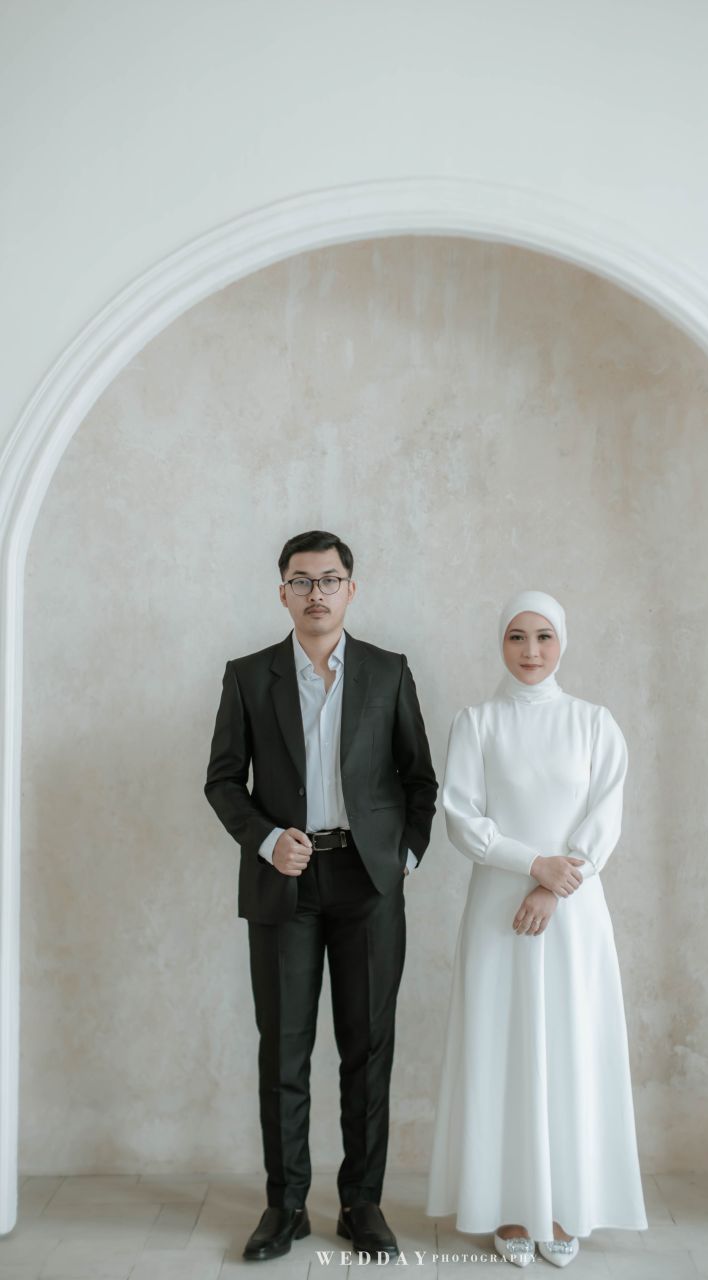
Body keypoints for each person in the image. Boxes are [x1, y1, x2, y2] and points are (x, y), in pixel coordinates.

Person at [205, 530, 438, 1263]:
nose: (316, 593)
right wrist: (267, 839)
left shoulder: (388, 671)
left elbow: (419, 779)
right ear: (282, 592)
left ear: (350, 590)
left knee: (367, 1048)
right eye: (302, 581)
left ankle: (362, 1204)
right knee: (284, 1049)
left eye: (329, 580)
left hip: (368, 882)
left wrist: (402, 856)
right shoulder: (249, 676)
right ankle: (285, 1207)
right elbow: (222, 780)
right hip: (284, 882)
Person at [426, 589, 647, 1267]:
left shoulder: (594, 723)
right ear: (500, 643)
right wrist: (533, 865)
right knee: (502, 1048)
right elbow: (462, 817)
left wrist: (554, 884)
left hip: (572, 915)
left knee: (569, 1048)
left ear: (562, 643)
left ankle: (561, 1205)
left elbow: (604, 818)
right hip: (499, 913)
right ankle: (508, 1208)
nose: (530, 651)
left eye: (544, 636)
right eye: (516, 637)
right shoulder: (477, 723)